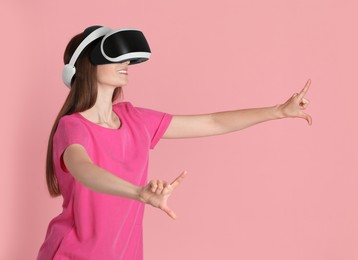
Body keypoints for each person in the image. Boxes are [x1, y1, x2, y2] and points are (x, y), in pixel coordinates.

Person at [37, 26, 312, 260]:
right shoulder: (72, 126)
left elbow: (212, 122)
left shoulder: (135, 120)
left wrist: (278, 111)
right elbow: (84, 170)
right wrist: (138, 192)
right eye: (116, 57)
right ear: (87, 64)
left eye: (128, 59)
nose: (126, 64)